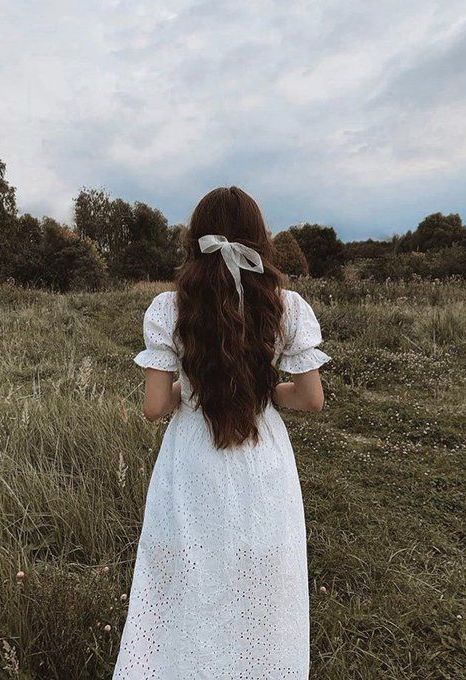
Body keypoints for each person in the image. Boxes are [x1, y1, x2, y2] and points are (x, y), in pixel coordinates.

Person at [112, 186, 332, 679]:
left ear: (195, 240)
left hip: (192, 456)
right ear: (260, 240)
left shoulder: (170, 307)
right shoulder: (287, 306)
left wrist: (185, 395)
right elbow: (311, 398)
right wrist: (273, 393)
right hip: (262, 462)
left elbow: (153, 407)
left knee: (185, 576)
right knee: (262, 581)